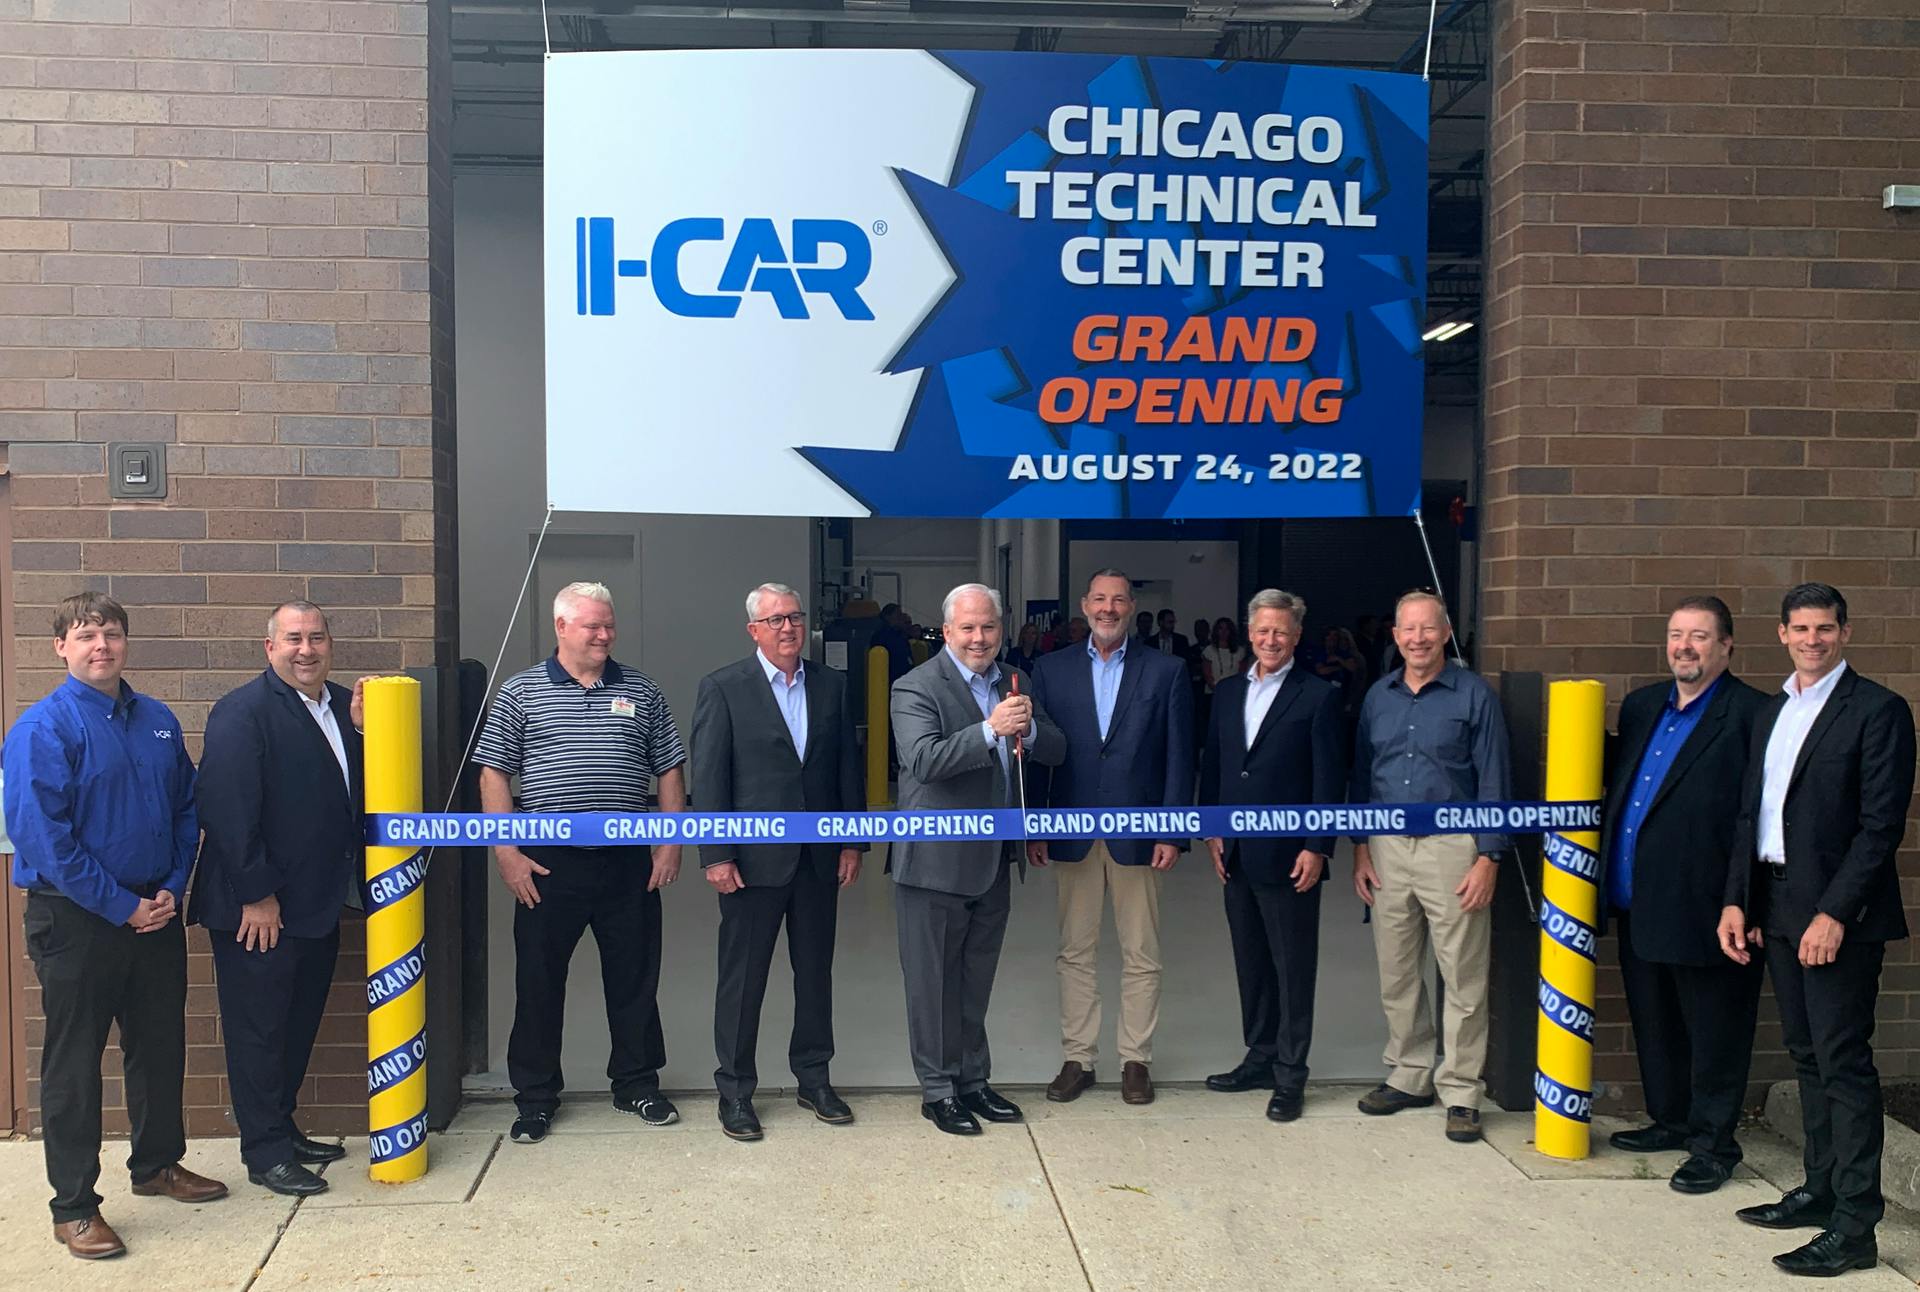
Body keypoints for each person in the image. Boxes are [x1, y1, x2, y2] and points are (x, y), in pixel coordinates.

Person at [2, 592, 227, 1260]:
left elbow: (188, 808)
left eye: (111, 633)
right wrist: (119, 905)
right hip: (77, 919)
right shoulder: (42, 729)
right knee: (74, 1064)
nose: (100, 645)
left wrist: (166, 889)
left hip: (154, 910)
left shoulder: (156, 721)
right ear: (60, 648)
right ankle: (73, 1207)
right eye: (85, 634)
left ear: (126, 642)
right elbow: (46, 841)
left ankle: (157, 1164)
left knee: (159, 1048)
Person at [1719, 583, 1916, 1277]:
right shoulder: (1775, 710)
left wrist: (1833, 913)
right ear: (1781, 635)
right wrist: (1736, 901)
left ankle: (1855, 1228)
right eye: (1800, 628)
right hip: (1772, 906)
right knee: (1806, 1056)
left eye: (1825, 628)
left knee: (1843, 1065)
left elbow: (1879, 827)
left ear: (1845, 632)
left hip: (1837, 919)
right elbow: (1753, 815)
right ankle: (1822, 1189)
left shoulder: (1879, 711)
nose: (1813, 639)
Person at [474, 581, 689, 1145]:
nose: (604, 635)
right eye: (592, 625)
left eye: (609, 625)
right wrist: (507, 853)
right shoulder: (521, 691)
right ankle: (536, 1098)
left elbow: (668, 768)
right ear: (561, 627)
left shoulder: (641, 689)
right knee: (540, 983)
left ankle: (637, 1083)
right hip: (547, 867)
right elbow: (494, 772)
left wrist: (669, 843)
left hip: (627, 865)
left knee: (635, 980)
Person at [193, 601, 369, 1197]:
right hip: (259, 912)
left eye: (317, 638)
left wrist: (371, 731)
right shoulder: (242, 712)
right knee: (259, 1033)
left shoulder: (345, 708)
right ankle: (264, 1152)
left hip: (318, 905)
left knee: (295, 1027)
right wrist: (258, 895)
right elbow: (227, 808)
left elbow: (352, 794)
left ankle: (283, 1130)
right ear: (269, 647)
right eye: (293, 638)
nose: (306, 649)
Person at [1596, 596, 1767, 1194]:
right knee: (1656, 1021)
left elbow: (1757, 817)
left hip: (1711, 908)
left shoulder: (1752, 714)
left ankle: (1714, 1145)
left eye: (1699, 636)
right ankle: (1670, 1120)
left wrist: (1744, 900)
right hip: (1638, 900)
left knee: (1715, 1030)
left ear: (1726, 646)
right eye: (1676, 636)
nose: (1684, 647)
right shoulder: (1644, 706)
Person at [691, 583, 865, 1142]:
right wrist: (715, 854)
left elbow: (847, 770)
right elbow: (711, 779)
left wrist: (850, 840)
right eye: (774, 620)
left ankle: (814, 1079)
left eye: (794, 617)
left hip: (817, 861)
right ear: (753, 630)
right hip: (750, 865)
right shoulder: (723, 688)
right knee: (743, 980)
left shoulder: (833, 684)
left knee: (815, 974)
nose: (787, 628)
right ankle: (736, 1091)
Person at [890, 583, 1064, 1135]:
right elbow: (923, 760)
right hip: (934, 864)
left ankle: (972, 1080)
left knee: (974, 980)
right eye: (967, 628)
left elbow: (1056, 747)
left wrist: (1028, 727)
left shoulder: (1016, 682)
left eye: (988, 627)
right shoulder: (914, 686)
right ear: (947, 632)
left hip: (993, 861)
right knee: (931, 983)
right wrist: (991, 729)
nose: (979, 638)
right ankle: (937, 1089)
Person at [1349, 591, 1511, 1144]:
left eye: (1428, 628)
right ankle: (1410, 1073)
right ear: (1394, 636)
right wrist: (1362, 847)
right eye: (1407, 630)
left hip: (1453, 848)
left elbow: (1494, 778)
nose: (1417, 639)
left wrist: (1489, 855)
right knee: (1397, 967)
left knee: (1462, 972)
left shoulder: (1474, 696)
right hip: (1388, 845)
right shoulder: (1378, 697)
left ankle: (1462, 1090)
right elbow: (1363, 777)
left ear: (1446, 633)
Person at [1027, 569, 1193, 1106]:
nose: (1108, 608)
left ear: (1131, 608)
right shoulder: (1049, 671)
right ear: (1084, 605)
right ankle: (1079, 1057)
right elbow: (1038, 754)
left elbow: (1178, 757)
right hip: (1071, 830)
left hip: (1139, 832)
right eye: (1099, 599)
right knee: (1074, 950)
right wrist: (1036, 823)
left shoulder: (1166, 671)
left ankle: (1135, 1061)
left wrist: (1173, 830)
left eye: (1118, 600)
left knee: (1141, 950)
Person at [1198, 590, 1345, 1122]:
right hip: (1234, 850)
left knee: (1292, 966)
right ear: (1249, 633)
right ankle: (1259, 1056)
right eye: (1262, 631)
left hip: (1291, 855)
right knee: (1252, 962)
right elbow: (1215, 763)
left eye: (1280, 631)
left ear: (1297, 636)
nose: (1271, 640)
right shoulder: (1229, 690)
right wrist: (1213, 830)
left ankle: (1290, 1074)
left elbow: (1330, 777)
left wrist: (1317, 845)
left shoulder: (1319, 696)